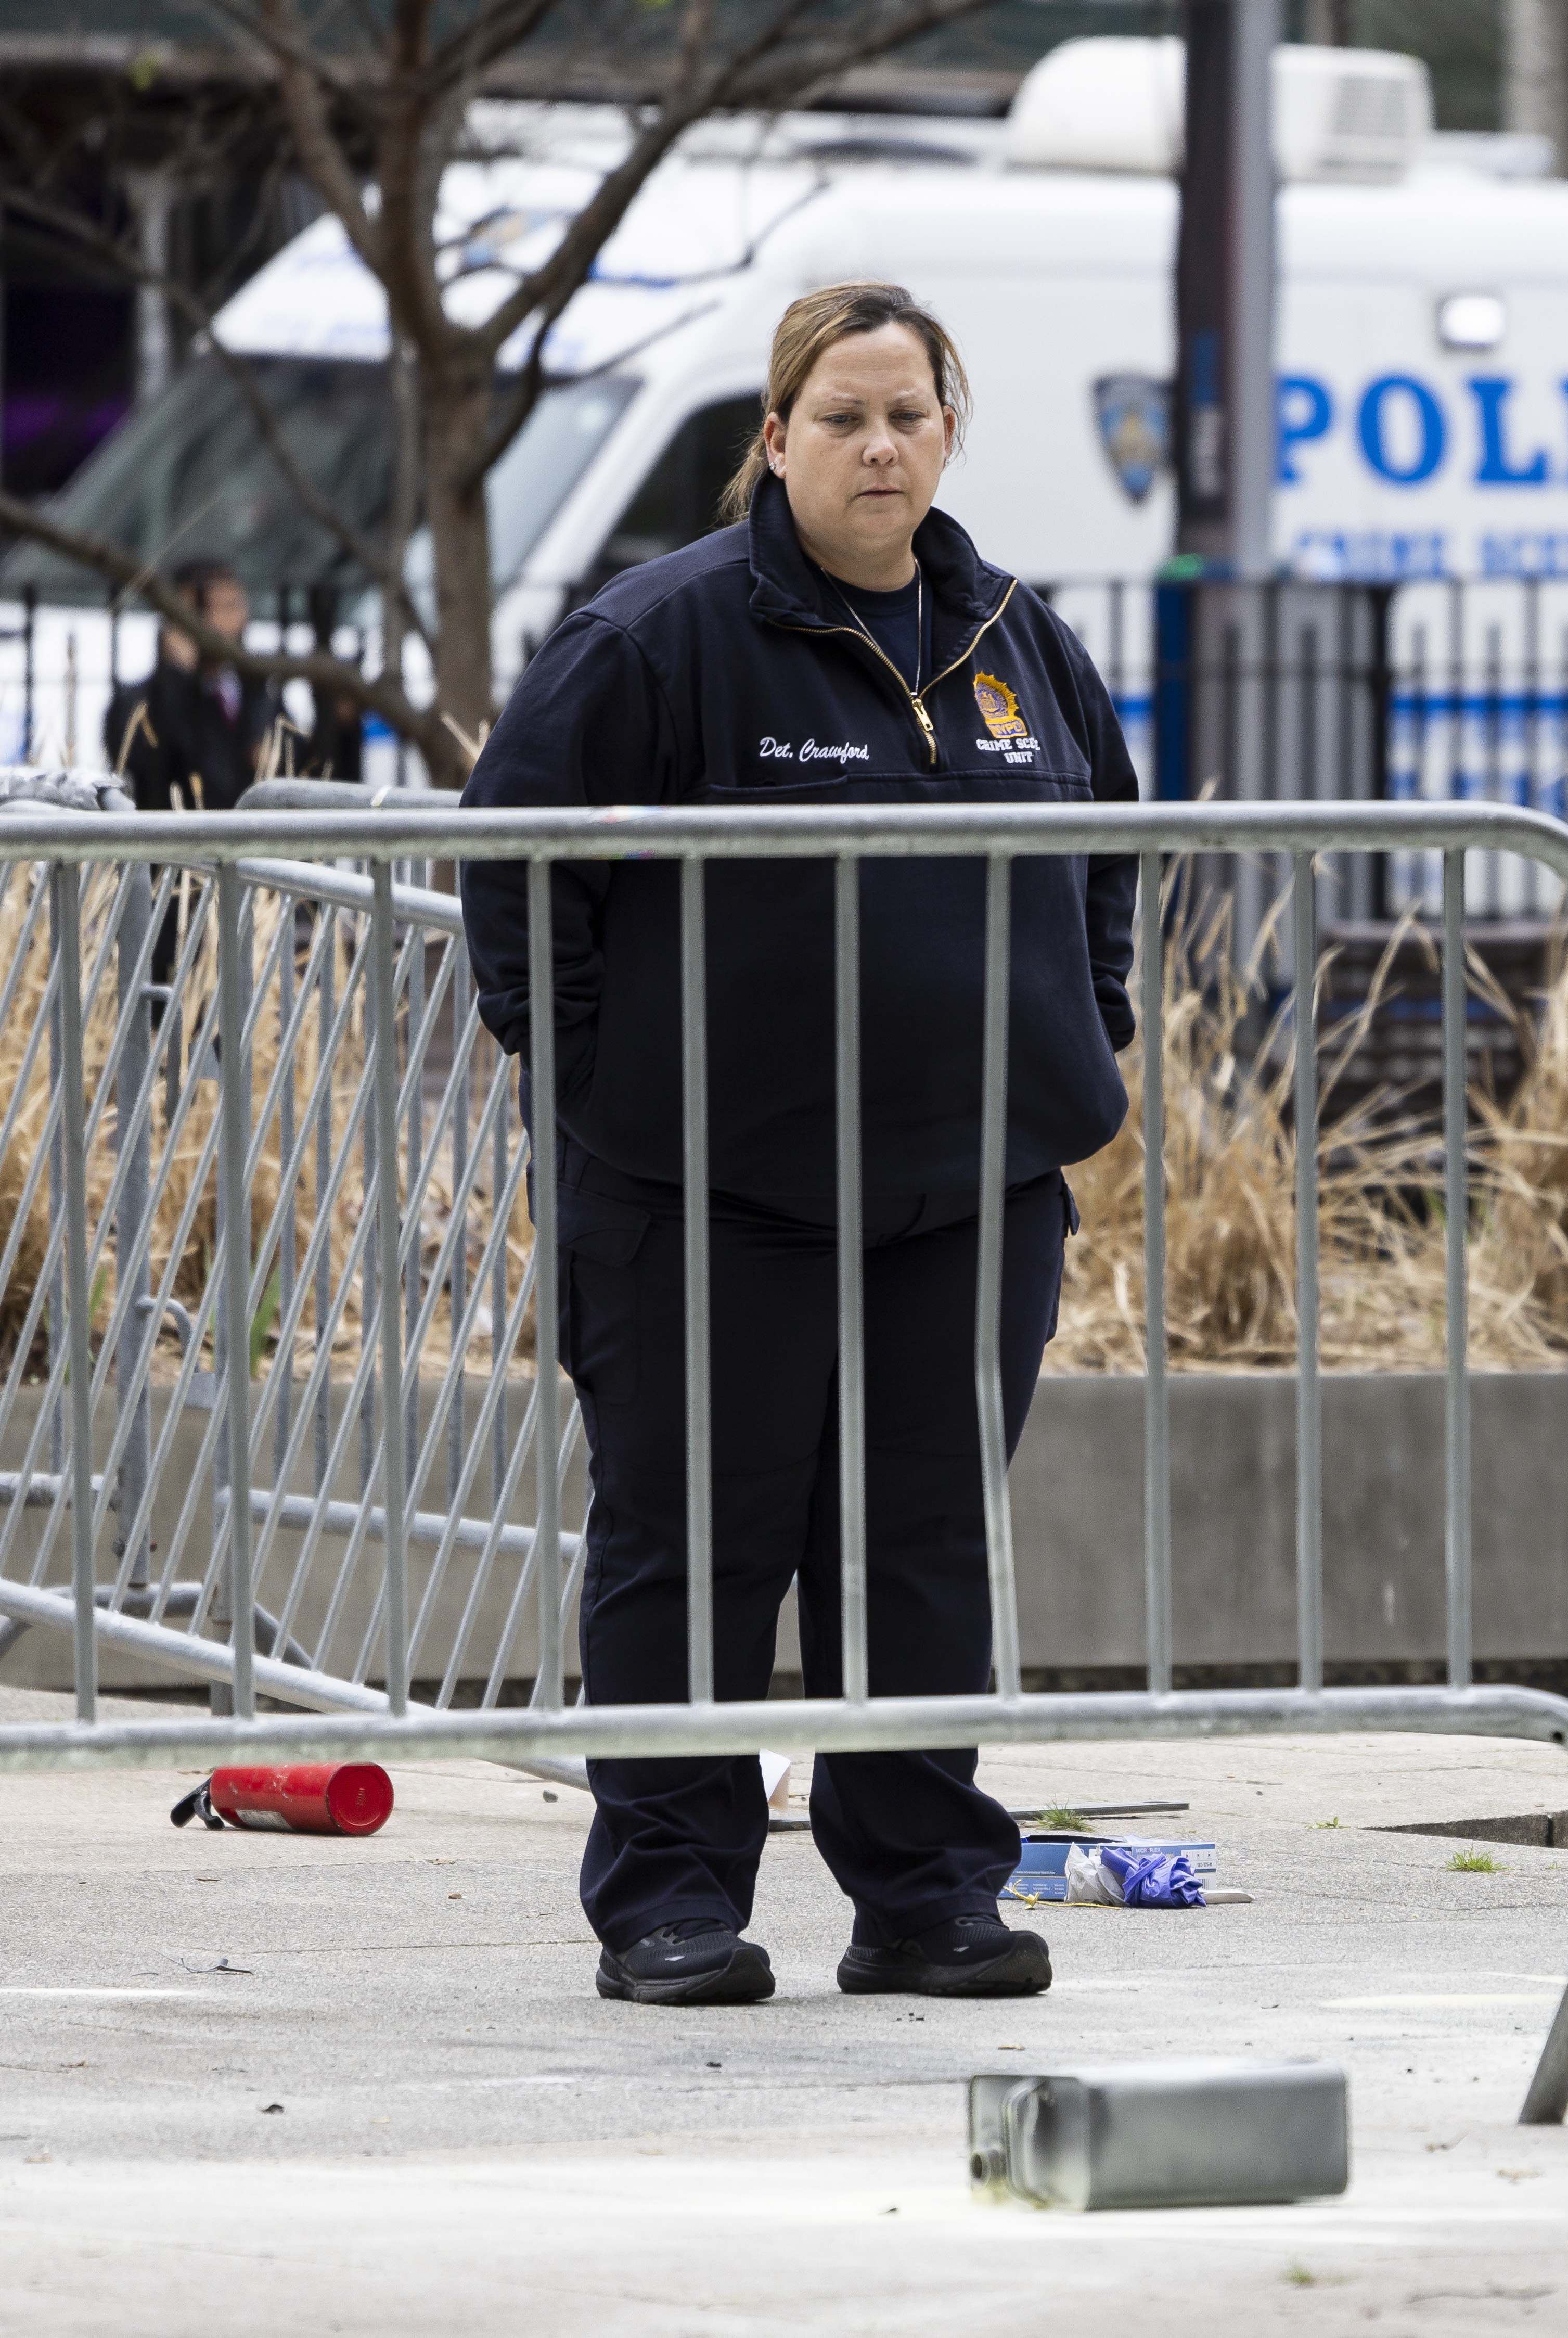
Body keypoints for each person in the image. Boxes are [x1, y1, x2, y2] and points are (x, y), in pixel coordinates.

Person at [460, 283, 1140, 2008]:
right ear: (776, 440)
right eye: (841, 415)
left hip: (967, 1189)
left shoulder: (1013, 637)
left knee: (919, 1545)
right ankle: (674, 1901)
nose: (879, 444)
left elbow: (1113, 845)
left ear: (946, 432)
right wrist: (601, 1087)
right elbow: (517, 869)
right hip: (707, 1196)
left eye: (908, 412)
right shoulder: (658, 638)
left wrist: (1087, 1025)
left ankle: (924, 1894)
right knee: (695, 1540)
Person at [102, 559, 281, 811]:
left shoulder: (255, 690)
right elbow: (149, 766)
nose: (239, 619)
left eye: (237, 606)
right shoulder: (137, 701)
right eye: (222, 608)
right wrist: (179, 676)